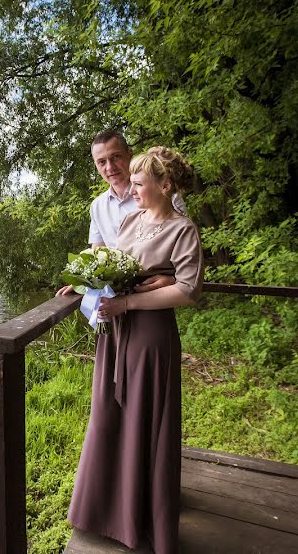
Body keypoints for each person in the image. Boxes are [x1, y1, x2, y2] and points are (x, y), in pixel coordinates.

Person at [67, 146, 203, 554]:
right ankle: (103, 513)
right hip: (115, 333)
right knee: (109, 416)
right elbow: (110, 262)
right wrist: (84, 282)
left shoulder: (183, 230)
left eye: (140, 183)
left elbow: (189, 290)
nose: (133, 188)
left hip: (149, 339)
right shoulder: (130, 219)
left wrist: (130, 301)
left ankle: (143, 521)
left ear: (164, 186)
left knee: (145, 422)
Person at [56, 130, 184, 297]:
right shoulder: (97, 206)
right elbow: (97, 255)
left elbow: (185, 248)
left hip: (154, 295)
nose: (109, 167)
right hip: (113, 299)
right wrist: (83, 283)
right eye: (101, 162)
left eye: (116, 157)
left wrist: (173, 279)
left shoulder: (164, 194)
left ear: (129, 153)